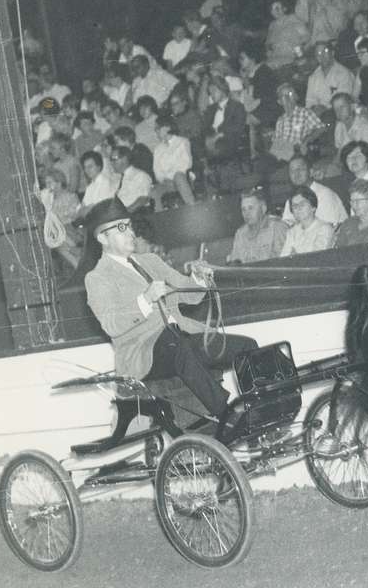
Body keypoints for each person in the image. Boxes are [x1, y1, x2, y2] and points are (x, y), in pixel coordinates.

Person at [83, 197, 258, 441]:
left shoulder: (151, 261)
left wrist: (198, 279)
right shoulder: (97, 278)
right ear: (102, 238)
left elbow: (192, 296)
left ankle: (260, 412)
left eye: (130, 225)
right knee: (175, 343)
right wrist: (145, 299)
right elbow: (111, 324)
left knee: (247, 347)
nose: (131, 232)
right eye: (121, 228)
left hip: (180, 339)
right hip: (143, 353)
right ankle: (226, 413)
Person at [227, 187, 288, 264]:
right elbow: (235, 264)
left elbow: (284, 262)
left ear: (263, 208)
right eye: (243, 209)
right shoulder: (240, 234)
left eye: (251, 208)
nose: (247, 213)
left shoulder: (277, 228)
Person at [281, 155, 348, 226]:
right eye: (292, 171)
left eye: (300, 169)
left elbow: (327, 228)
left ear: (311, 172)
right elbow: (287, 223)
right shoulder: (293, 197)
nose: (296, 174)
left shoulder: (324, 194)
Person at [152, 114, 195, 209]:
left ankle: (192, 208)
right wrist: (164, 179)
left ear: (167, 127)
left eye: (158, 128)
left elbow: (186, 164)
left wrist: (170, 177)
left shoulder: (182, 142)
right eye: (155, 129)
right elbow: (157, 171)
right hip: (165, 182)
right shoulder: (157, 149)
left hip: (182, 178)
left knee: (178, 176)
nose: (156, 132)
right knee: (154, 192)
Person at [280, 185, 335, 255]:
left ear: (313, 207)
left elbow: (317, 257)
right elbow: (284, 258)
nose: (298, 208)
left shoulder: (324, 229)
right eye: (295, 206)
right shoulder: (292, 232)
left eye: (302, 204)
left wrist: (295, 255)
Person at [306, 41, 355, 113]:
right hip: (317, 115)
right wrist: (314, 109)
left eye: (325, 51)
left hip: (338, 113)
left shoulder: (344, 74)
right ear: (316, 57)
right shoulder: (313, 76)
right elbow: (309, 101)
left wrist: (324, 110)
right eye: (318, 53)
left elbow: (344, 103)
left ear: (332, 53)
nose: (322, 56)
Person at [265, 0, 310, 69]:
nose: (275, 11)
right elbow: (268, 45)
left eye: (277, 8)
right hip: (274, 60)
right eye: (272, 9)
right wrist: (269, 49)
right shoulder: (272, 26)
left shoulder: (293, 19)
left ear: (284, 8)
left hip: (290, 58)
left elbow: (307, 37)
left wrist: (299, 50)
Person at [111, 146, 153, 210]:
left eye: (114, 159)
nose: (111, 163)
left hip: (136, 214)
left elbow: (143, 199)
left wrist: (125, 213)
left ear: (124, 159)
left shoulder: (140, 176)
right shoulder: (117, 179)